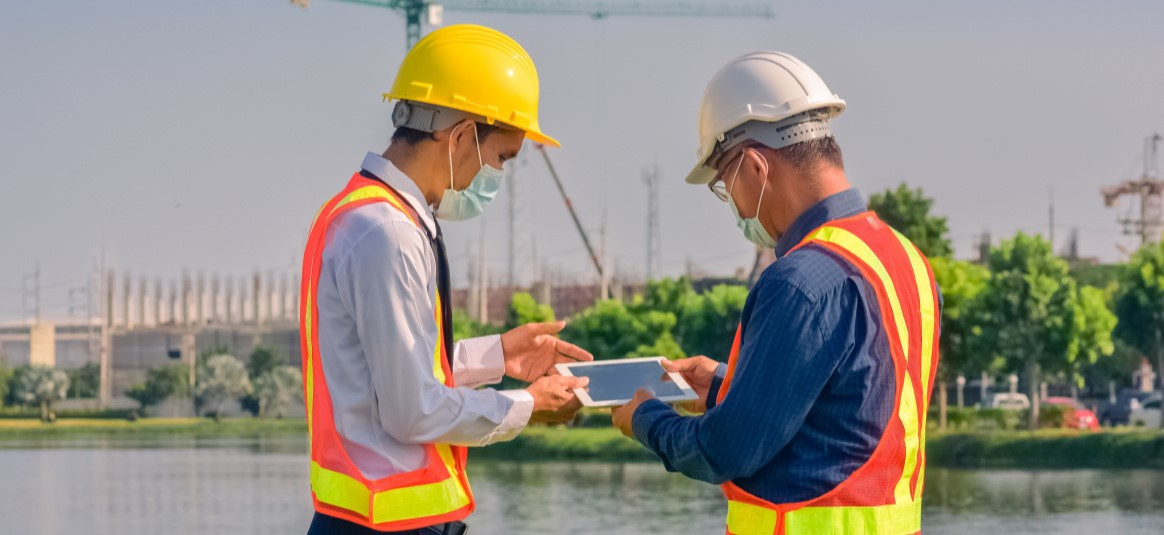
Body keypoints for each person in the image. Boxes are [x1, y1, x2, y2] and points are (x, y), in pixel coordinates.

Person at [611, 51, 941, 534]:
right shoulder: (905, 259)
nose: (735, 207)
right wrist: (726, 386)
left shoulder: (802, 280)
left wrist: (644, 419)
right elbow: (850, 410)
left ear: (753, 167)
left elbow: (724, 451)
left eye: (725, 184)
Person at [300, 24, 592, 535]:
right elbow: (412, 409)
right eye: (502, 157)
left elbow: (388, 370)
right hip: (388, 526)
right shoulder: (386, 232)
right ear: (459, 136)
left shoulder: (368, 217)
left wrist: (498, 356)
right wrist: (528, 404)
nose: (496, 175)